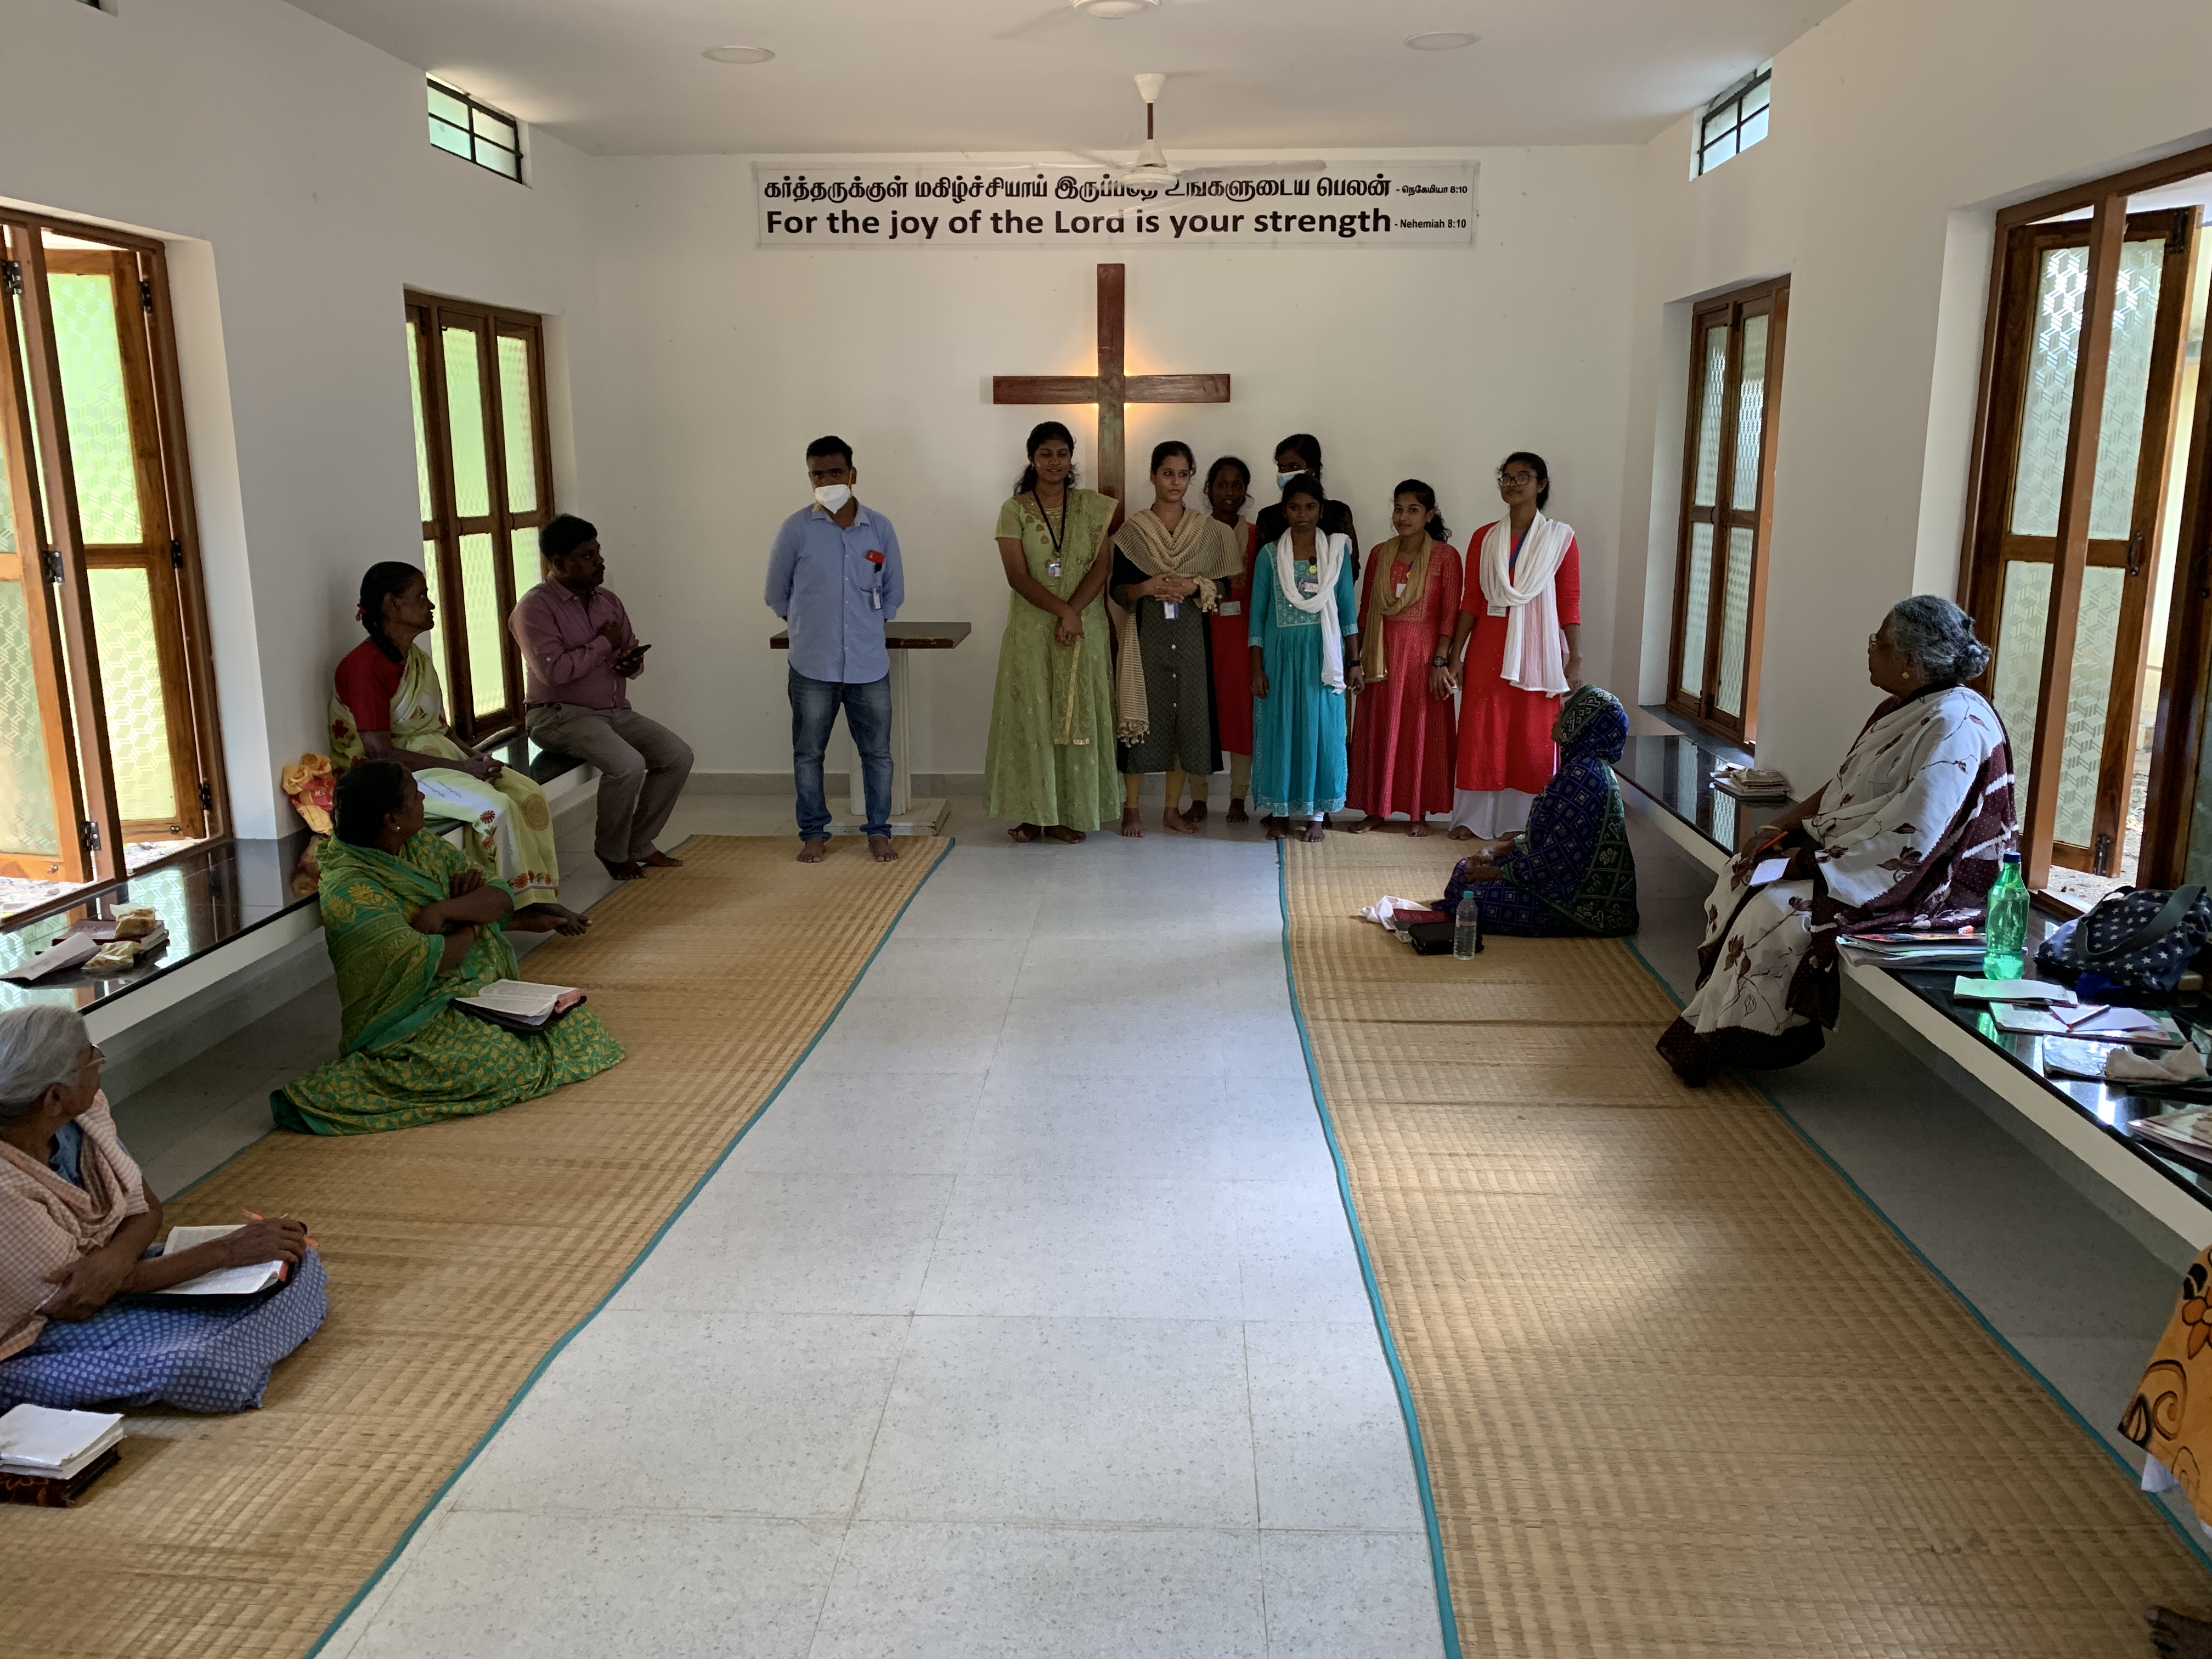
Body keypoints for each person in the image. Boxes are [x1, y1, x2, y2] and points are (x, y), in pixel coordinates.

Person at [1656, 596, 2016, 1085]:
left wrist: (1808, 863)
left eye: (1879, 642)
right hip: (1854, 854)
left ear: (1909, 662)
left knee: (1776, 910)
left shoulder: (1954, 726)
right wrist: (1779, 828)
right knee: (1743, 871)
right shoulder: (1902, 708)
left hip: (1920, 883)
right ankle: (1716, 1016)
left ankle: (1742, 1034)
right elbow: (1846, 785)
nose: (1869, 650)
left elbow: (1914, 836)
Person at [272, 761, 625, 1135]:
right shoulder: (352, 890)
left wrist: (443, 912)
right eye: (415, 796)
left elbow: (499, 895)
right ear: (392, 820)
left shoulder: (416, 844)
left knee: (577, 1024)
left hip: (466, 990)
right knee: (497, 1060)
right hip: (407, 1017)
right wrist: (472, 922)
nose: (424, 798)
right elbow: (433, 959)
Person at [0, 1006, 325, 1412]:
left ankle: (242, 1348)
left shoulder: (82, 1117)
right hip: (37, 1327)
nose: (99, 1061)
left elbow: (147, 1209)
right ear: (54, 1098)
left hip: (114, 1276)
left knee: (293, 1260)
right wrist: (226, 1251)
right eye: (91, 1058)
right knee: (199, 1364)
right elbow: (77, 1297)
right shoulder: (6, 1191)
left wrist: (115, 1258)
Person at [332, 562, 576, 921]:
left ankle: (534, 894)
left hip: (442, 760)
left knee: (528, 794)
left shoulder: (417, 660)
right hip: (397, 777)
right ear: (392, 604)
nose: (431, 605)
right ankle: (509, 906)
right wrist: (463, 768)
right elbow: (380, 753)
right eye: (421, 597)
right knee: (496, 808)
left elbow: (441, 729)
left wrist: (478, 758)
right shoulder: (364, 667)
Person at [513, 514, 695, 882]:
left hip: (614, 711)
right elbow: (555, 672)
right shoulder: (534, 609)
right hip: (559, 716)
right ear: (558, 562)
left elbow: (627, 650)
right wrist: (602, 644)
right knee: (627, 765)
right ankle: (611, 851)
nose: (600, 562)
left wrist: (631, 663)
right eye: (587, 556)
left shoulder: (607, 601)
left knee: (678, 756)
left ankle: (639, 843)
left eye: (598, 552)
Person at [765, 437, 905, 865]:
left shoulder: (879, 528)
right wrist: (810, 628)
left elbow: (893, 591)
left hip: (868, 664)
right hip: (813, 664)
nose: (827, 481)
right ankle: (813, 833)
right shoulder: (795, 529)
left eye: (835, 472)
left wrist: (865, 628)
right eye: (818, 475)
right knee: (809, 754)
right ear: (810, 478)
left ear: (852, 474)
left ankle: (878, 832)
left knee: (877, 755)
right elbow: (776, 593)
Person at [985, 420, 1124, 843]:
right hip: (1033, 631)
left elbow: (1102, 567)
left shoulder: (1092, 508)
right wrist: (1063, 611)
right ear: (1032, 459)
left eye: (1062, 453)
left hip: (1083, 630)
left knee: (1078, 717)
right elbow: (1016, 575)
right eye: (1045, 454)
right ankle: (1035, 812)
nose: (1054, 462)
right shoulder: (1014, 510)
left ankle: (1070, 812)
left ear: (1071, 458)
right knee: (1034, 719)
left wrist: (1073, 614)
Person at [1444, 452, 1583, 840]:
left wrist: (1575, 657)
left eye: (1522, 477)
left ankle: (1523, 823)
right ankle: (1473, 819)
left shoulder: (1561, 539)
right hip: (1488, 647)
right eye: (1506, 477)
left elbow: (1569, 601)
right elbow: (1472, 600)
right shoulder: (1484, 537)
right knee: (1481, 730)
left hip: (1538, 653)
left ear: (1541, 484)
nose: (1512, 484)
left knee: (1531, 732)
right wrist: (1455, 655)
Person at [1110, 441, 1244, 836]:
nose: (1175, 482)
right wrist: (1146, 587)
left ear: (1191, 479)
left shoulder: (1209, 532)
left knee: (1185, 720)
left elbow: (1226, 585)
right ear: (1153, 476)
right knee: (1139, 718)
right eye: (1168, 473)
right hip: (1145, 636)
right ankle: (1131, 808)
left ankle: (1172, 809)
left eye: (1183, 474)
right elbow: (1117, 590)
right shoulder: (1133, 533)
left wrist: (1194, 586)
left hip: (1190, 636)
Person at [1437, 686, 1639, 935]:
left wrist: (1499, 873)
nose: (1557, 716)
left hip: (1578, 900)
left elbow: (1560, 858)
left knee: (1471, 900)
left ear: (1581, 725)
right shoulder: (1577, 767)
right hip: (1548, 873)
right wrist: (1495, 851)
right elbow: (1545, 838)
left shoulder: (1585, 778)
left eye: (1565, 712)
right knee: (1464, 871)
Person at [1249, 473, 1361, 842]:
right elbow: (1257, 616)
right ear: (1285, 511)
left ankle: (1316, 813)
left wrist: (1355, 662)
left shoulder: (1336, 553)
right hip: (1279, 660)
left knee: (1321, 732)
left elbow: (1347, 611)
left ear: (1321, 510)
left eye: (1310, 507)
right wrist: (1256, 667)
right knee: (1280, 732)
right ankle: (1279, 812)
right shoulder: (1269, 556)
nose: (1302, 515)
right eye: (1295, 507)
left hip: (1322, 660)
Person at [1348, 481, 1462, 836]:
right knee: (1377, 729)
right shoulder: (1379, 553)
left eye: (1413, 510)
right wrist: (1357, 660)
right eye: (1399, 508)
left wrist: (1440, 662)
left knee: (1419, 732)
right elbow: (1366, 610)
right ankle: (1375, 809)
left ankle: (1418, 812)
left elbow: (1450, 616)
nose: (1403, 517)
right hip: (1381, 655)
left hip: (1422, 659)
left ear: (1430, 515)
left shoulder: (1445, 556)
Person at [1202, 456, 1260, 823]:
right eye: (1222, 484)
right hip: (1201, 636)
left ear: (1245, 492)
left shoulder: (1256, 536)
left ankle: (1238, 796)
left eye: (1237, 485)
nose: (1229, 492)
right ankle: (1199, 797)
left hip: (1241, 641)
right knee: (1200, 717)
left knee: (1241, 718)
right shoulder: (1194, 533)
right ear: (1209, 489)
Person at [1252, 433, 1358, 551]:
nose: (1285, 473)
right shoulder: (1268, 517)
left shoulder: (1337, 514)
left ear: (1313, 470)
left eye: (1294, 467)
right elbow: (1263, 558)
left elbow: (1350, 559)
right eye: (1281, 468)